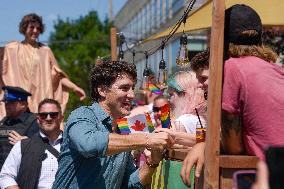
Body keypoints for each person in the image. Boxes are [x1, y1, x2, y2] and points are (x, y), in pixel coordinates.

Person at [181, 4, 284, 187]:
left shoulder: (232, 67)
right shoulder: (277, 70)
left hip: (271, 177)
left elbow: (233, 148)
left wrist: (206, 145)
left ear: (221, 41)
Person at [52, 60, 174, 189]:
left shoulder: (122, 132)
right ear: (102, 90)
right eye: (124, 88)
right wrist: (147, 139)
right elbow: (88, 145)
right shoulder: (82, 115)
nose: (132, 95)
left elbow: (129, 184)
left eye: (132, 88)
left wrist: (152, 162)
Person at [0, 13, 86, 118]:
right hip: (18, 105)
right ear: (24, 28)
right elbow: (3, 72)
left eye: (38, 28)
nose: (35, 31)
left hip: (42, 108)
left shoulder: (45, 51)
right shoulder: (12, 49)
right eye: (32, 27)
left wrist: (75, 87)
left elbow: (58, 76)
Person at [0, 98, 63, 189]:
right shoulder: (22, 145)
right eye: (43, 115)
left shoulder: (73, 145)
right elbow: (6, 176)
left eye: (53, 115)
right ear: (38, 119)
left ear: (61, 118)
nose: (48, 118)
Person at [0, 86, 39, 170]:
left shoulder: (36, 122)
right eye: (6, 102)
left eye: (11, 102)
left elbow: (47, 147)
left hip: (24, 176)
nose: (7, 105)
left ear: (23, 104)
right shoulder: (3, 123)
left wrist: (27, 144)